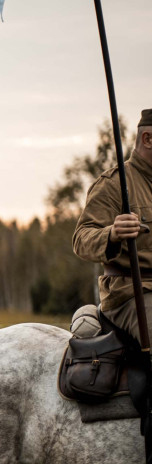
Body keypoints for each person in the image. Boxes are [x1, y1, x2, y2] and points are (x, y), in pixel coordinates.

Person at [73, 109, 152, 341]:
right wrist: (112, 234)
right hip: (131, 293)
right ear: (148, 139)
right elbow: (81, 239)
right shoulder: (114, 184)